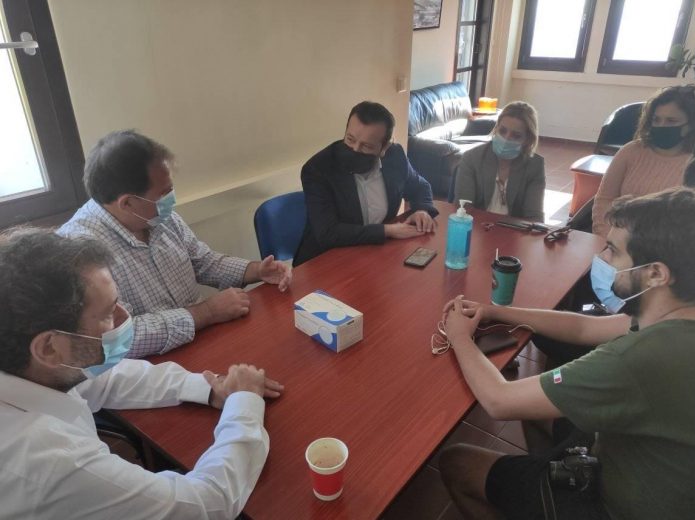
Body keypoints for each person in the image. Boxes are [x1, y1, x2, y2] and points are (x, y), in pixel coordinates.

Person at [438, 188, 695, 520]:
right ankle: (539, 490)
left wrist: (459, 336)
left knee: (458, 462)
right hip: (642, 464)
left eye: (613, 250)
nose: (603, 259)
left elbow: (498, 400)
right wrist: (496, 311)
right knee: (538, 406)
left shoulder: (638, 359)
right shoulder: (678, 314)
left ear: (656, 274)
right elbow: (584, 328)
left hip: (618, 504)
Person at [0, 229, 284, 519]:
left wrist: (209, 388)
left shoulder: (33, 367)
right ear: (48, 347)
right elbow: (206, 504)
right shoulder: (48, 459)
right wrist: (245, 402)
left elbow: (107, 379)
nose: (125, 318)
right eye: (108, 313)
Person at [59, 130, 292, 358]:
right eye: (164, 193)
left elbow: (202, 261)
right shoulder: (79, 251)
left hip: (203, 341)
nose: (171, 199)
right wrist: (206, 312)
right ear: (128, 203)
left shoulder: (156, 216)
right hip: (152, 366)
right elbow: (118, 339)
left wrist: (256, 270)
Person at [293, 101, 439, 266]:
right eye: (350, 139)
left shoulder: (394, 156)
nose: (355, 149)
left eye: (366, 146)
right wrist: (387, 231)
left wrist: (422, 210)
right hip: (325, 260)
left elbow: (420, 187)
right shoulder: (318, 168)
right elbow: (328, 233)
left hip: (373, 254)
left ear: (384, 148)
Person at [592, 84, 695, 236]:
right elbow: (604, 199)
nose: (662, 126)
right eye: (656, 120)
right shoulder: (631, 151)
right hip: (615, 238)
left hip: (667, 244)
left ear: (692, 125)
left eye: (671, 121)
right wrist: (607, 237)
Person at [453, 101, 545, 221]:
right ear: (496, 129)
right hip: (477, 226)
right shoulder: (472, 158)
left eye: (516, 136)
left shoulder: (535, 165)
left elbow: (534, 217)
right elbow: (463, 207)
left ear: (527, 140)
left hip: (514, 230)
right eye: (502, 131)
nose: (506, 139)